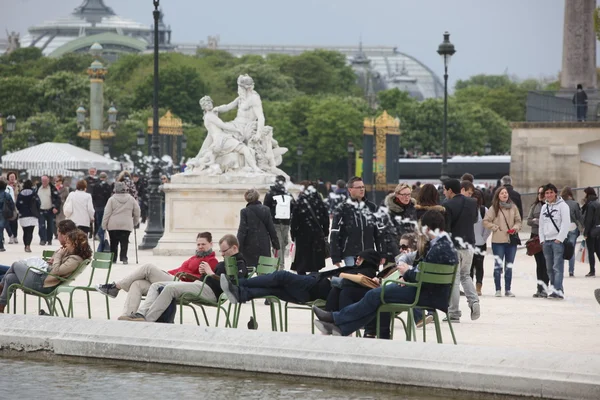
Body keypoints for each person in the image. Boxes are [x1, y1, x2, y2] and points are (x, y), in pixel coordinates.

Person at [311, 210, 458, 337]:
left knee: (375, 294)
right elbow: (427, 274)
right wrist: (408, 273)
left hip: (426, 294)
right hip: (432, 293)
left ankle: (335, 319)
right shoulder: (445, 244)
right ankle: (341, 326)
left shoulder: (439, 248)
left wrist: (407, 272)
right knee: (377, 298)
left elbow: (422, 276)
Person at [120, 234, 247, 322]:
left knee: (169, 289)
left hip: (210, 291)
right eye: (221, 251)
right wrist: (205, 274)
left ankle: (148, 320)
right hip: (200, 285)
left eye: (224, 251)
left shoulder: (240, 263)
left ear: (235, 248)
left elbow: (235, 284)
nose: (223, 254)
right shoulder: (227, 261)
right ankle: (140, 314)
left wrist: (210, 273)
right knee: (156, 285)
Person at [95, 232, 218, 318]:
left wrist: (182, 275)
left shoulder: (212, 261)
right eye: (198, 244)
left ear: (211, 244)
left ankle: (116, 286)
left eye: (203, 244)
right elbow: (178, 269)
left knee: (148, 267)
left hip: (183, 285)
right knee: (137, 284)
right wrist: (164, 273)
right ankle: (128, 316)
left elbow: (204, 281)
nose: (201, 247)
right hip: (173, 279)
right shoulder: (194, 257)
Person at [0, 229, 92, 313]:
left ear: (75, 244)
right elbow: (57, 268)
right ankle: (1, 305)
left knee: (16, 264)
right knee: (10, 278)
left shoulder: (75, 260)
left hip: (43, 284)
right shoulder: (72, 256)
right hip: (43, 279)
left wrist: (58, 256)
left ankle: (1, 286)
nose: (65, 245)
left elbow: (56, 271)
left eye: (68, 243)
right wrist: (53, 260)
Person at [442, 179, 480, 322]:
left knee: (454, 279)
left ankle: (454, 313)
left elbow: (446, 228)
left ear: (450, 190)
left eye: (445, 190)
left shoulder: (447, 204)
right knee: (466, 275)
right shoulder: (472, 202)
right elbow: (475, 219)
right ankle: (474, 301)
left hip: (454, 246)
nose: (444, 193)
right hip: (470, 244)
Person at [330, 176, 382, 267]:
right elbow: (335, 233)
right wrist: (335, 257)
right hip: (350, 253)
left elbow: (378, 232)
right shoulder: (342, 208)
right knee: (353, 278)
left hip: (368, 253)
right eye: (358, 187)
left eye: (363, 187)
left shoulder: (371, 207)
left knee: (367, 279)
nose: (362, 190)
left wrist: (382, 253)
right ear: (350, 190)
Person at [483, 187, 522, 297]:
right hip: (498, 241)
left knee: (509, 266)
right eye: (502, 193)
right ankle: (498, 289)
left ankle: (508, 289)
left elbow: (519, 221)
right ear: (498, 195)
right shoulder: (494, 208)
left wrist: (515, 228)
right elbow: (485, 221)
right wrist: (494, 227)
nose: (505, 195)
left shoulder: (513, 207)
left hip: (511, 240)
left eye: (506, 193)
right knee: (498, 266)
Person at [539, 183, 571, 299]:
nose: (549, 195)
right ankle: (555, 290)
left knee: (557, 267)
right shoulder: (544, 207)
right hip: (546, 241)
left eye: (551, 192)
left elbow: (566, 223)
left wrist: (559, 238)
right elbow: (541, 225)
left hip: (557, 241)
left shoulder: (563, 206)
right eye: (547, 193)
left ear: (555, 193)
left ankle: (557, 291)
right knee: (549, 268)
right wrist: (542, 239)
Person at [290, 181, 330, 275]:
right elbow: (326, 218)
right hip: (317, 235)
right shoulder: (319, 201)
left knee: (301, 261)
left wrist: (293, 233)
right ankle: (314, 280)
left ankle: (302, 281)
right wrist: (325, 232)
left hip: (302, 235)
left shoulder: (300, 202)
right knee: (315, 261)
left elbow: (294, 219)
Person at [237, 189, 280, 268]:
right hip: (263, 245)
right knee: (264, 270)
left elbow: (242, 231)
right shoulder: (266, 210)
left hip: (249, 246)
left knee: (250, 269)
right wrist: (276, 245)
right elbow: (271, 229)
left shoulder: (244, 211)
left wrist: (238, 247)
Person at [377, 183, 417, 266]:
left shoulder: (413, 209)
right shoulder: (388, 211)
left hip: (411, 253)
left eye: (409, 194)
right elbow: (385, 234)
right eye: (404, 194)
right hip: (392, 253)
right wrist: (393, 254)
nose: (407, 197)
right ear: (397, 195)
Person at [102, 182, 141, 264]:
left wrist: (104, 225)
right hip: (126, 224)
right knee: (124, 241)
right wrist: (135, 222)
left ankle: (113, 258)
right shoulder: (131, 199)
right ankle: (124, 257)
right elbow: (137, 211)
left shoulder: (112, 199)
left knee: (113, 242)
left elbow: (107, 213)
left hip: (113, 225)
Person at [263, 175, 294, 269]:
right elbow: (293, 208)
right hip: (286, 223)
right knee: (283, 243)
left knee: (277, 244)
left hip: (274, 222)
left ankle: (279, 265)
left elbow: (265, 208)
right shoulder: (288, 194)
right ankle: (280, 264)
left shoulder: (270, 193)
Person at [528, 186, 550, 297]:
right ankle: (539, 288)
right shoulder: (534, 206)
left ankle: (545, 288)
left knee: (545, 264)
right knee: (539, 264)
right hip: (536, 237)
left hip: (547, 237)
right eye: (539, 193)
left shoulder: (550, 206)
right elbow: (528, 221)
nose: (540, 195)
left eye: (543, 193)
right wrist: (536, 221)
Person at [471, 189, 491, 296]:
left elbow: (488, 227)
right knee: (469, 266)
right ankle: (469, 287)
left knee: (479, 266)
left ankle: (478, 287)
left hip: (480, 243)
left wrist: (483, 239)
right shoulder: (467, 209)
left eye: (477, 197)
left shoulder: (484, 210)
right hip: (469, 243)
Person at [560, 187, 584, 277]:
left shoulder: (560, 203)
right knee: (571, 249)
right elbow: (579, 216)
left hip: (563, 227)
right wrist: (582, 227)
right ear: (570, 194)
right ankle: (571, 271)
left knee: (561, 249)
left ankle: (561, 269)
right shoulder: (575, 204)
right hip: (573, 226)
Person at [35, 175, 61, 246]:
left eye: (45, 181)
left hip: (50, 210)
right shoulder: (37, 188)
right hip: (40, 210)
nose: (44, 182)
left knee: (50, 226)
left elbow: (58, 199)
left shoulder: (52, 188)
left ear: (48, 181)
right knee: (41, 226)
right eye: (43, 181)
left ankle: (49, 239)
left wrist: (56, 207)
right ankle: (42, 239)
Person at [16, 180, 40, 253]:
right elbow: (38, 203)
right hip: (32, 215)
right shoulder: (34, 194)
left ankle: (25, 244)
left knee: (25, 232)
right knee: (30, 232)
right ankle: (28, 246)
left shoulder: (20, 194)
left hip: (23, 215)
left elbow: (17, 204)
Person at [582, 187, 600, 277]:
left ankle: (592, 270)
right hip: (598, 230)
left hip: (591, 231)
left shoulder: (590, 205)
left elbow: (588, 220)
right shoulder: (597, 203)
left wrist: (585, 233)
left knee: (591, 252)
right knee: (598, 250)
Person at [92, 172, 112, 251]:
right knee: (104, 222)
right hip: (105, 206)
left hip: (97, 206)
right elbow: (108, 196)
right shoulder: (107, 186)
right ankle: (101, 233)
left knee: (99, 221)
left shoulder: (96, 185)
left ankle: (100, 234)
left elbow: (93, 196)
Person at [0, 180, 15, 252]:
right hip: (4, 214)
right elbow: (12, 205)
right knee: (1, 229)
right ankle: (1, 246)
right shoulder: (7, 195)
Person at [54, 175, 70, 239]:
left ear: (61, 182)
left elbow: (67, 198)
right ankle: (55, 233)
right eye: (56, 181)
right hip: (54, 206)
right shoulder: (53, 188)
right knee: (54, 221)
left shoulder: (65, 189)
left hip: (61, 207)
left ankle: (59, 233)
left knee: (60, 221)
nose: (56, 182)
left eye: (58, 181)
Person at [4, 174, 17, 244]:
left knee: (10, 223)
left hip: (9, 208)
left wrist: (13, 208)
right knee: (4, 223)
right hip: (4, 208)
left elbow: (13, 199)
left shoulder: (10, 188)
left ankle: (13, 235)